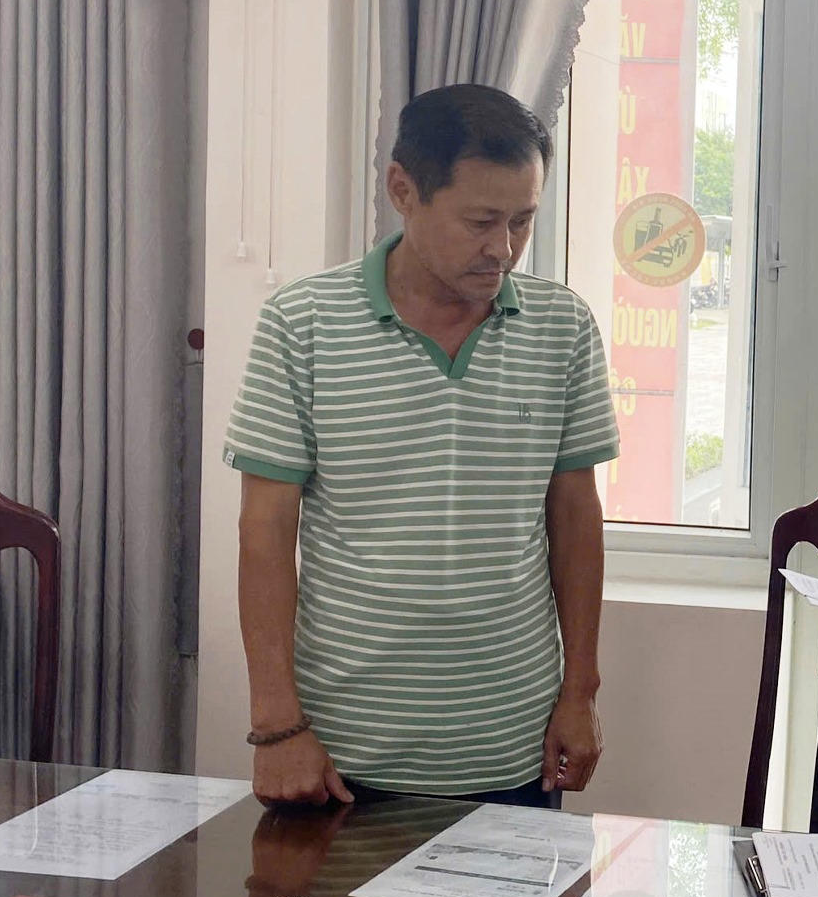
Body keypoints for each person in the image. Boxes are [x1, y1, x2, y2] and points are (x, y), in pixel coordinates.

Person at [226, 83, 620, 808]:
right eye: (480, 221)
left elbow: (575, 517)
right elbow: (265, 531)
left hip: (514, 743)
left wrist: (581, 693)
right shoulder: (303, 324)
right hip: (341, 748)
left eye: (523, 221)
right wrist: (277, 725)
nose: (503, 249)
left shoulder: (561, 327)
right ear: (403, 191)